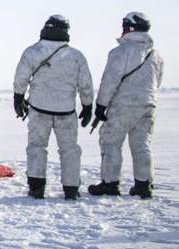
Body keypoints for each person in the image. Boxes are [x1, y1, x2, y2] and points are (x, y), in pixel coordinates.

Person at [13, 15, 95, 200]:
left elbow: (21, 77)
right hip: (66, 111)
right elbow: (86, 84)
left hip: (39, 108)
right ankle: (71, 188)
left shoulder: (32, 52)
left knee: (37, 147)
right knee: (69, 150)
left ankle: (36, 186)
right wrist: (87, 105)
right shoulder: (76, 56)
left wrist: (18, 98)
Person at [89, 11, 164, 199]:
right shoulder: (155, 55)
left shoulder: (120, 52)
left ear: (129, 28)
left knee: (111, 142)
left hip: (123, 105)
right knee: (142, 145)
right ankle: (143, 185)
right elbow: (158, 81)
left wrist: (101, 105)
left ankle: (110, 184)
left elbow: (110, 80)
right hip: (148, 105)